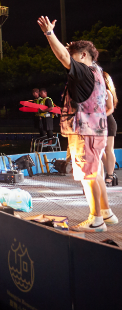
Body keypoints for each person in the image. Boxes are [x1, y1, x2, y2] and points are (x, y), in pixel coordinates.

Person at [38, 16, 116, 231]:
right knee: (97, 171)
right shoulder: (98, 72)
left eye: (73, 58)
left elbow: (64, 56)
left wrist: (48, 33)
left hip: (84, 132)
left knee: (88, 175)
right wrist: (58, 39)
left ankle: (96, 220)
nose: (68, 64)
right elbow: (65, 52)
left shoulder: (82, 71)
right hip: (97, 131)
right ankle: (107, 213)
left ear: (83, 56)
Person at [102, 70, 118, 186]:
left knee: (109, 149)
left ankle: (110, 175)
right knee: (100, 150)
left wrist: (100, 116)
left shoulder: (106, 92)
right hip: (97, 123)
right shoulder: (93, 92)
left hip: (107, 121)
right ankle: (109, 172)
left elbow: (110, 108)